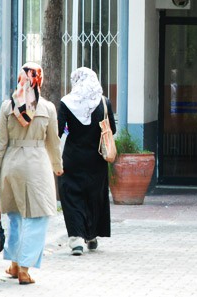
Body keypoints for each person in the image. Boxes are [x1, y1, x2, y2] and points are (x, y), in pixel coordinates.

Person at [0, 62, 63, 285]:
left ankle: (12, 263)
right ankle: (24, 267)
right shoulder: (47, 108)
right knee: (37, 217)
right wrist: (58, 166)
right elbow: (53, 142)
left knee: (15, 216)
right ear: (39, 79)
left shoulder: (6, 107)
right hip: (36, 165)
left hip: (11, 165)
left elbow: (0, 145)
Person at [57, 67, 116, 256]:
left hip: (73, 158)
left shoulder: (66, 103)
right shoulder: (104, 102)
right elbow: (112, 129)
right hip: (97, 159)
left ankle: (75, 239)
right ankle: (91, 236)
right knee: (93, 195)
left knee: (72, 195)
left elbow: (58, 131)